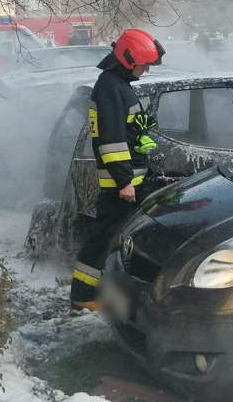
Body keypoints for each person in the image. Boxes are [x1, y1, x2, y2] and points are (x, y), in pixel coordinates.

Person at [70, 28, 165, 311]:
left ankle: (93, 289)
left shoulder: (116, 84)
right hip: (120, 183)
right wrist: (124, 180)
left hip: (125, 179)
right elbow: (111, 140)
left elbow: (124, 129)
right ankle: (84, 294)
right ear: (127, 60)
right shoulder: (111, 87)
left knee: (109, 236)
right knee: (102, 238)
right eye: (144, 64)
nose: (146, 69)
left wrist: (141, 135)